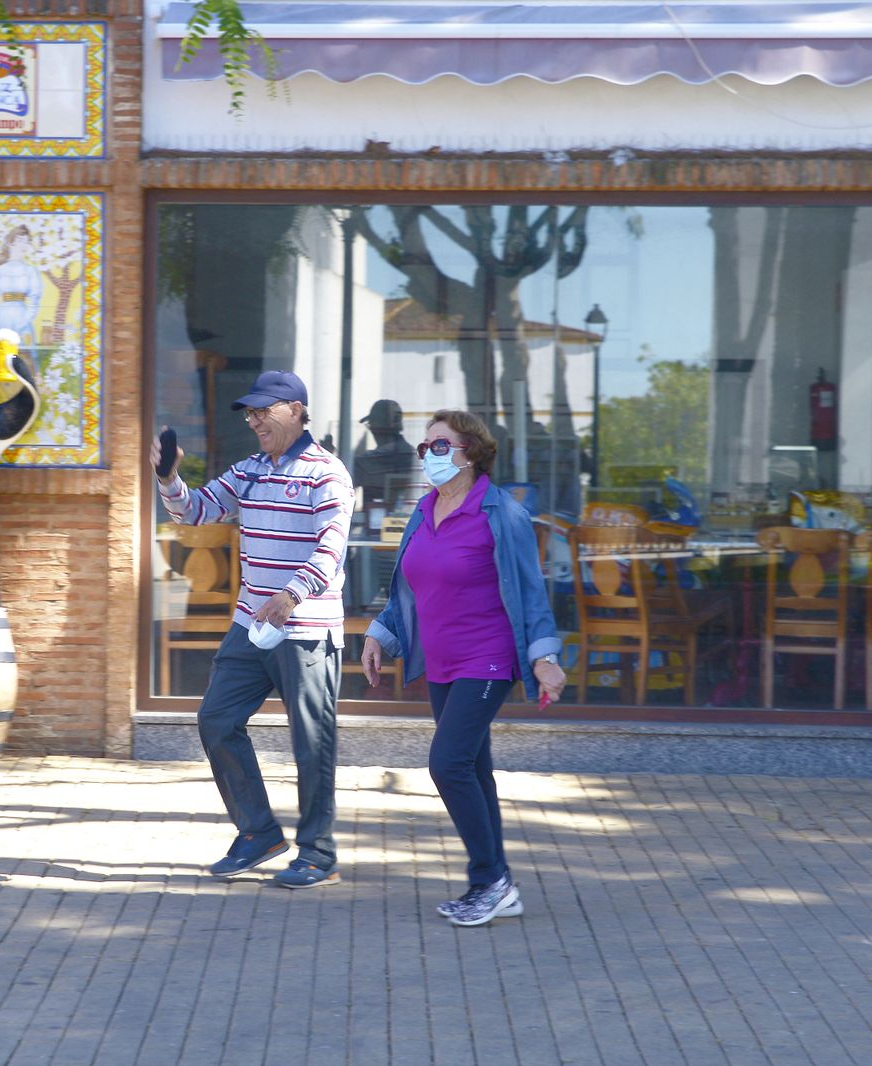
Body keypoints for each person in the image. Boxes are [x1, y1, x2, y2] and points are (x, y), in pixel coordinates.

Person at [360, 409, 566, 926]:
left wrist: (544, 658)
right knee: (474, 768)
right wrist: (380, 634)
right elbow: (409, 586)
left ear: (468, 452)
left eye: (438, 445)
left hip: (488, 657)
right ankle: (496, 885)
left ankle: (489, 880)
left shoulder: (501, 514)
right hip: (442, 661)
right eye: (423, 447)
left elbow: (531, 591)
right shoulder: (424, 509)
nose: (426, 454)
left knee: (447, 764)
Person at [151, 370, 353, 889]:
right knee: (216, 719)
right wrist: (169, 479)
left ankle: (318, 853)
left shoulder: (327, 473)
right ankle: (259, 833)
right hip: (252, 626)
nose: (255, 420)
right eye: (251, 412)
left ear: (296, 410)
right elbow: (194, 513)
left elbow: (331, 548)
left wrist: (292, 593)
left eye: (265, 410)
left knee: (312, 744)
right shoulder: (250, 470)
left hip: (305, 626)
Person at [352, 398, 417, 514]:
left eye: (370, 424)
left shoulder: (366, 461)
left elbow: (343, 494)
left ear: (376, 427)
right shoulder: (413, 455)